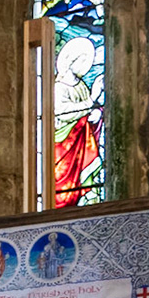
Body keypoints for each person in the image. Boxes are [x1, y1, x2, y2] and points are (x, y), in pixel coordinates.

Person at [51, 35, 103, 207]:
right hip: (64, 142)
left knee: (86, 174)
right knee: (63, 179)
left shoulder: (81, 86)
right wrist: (92, 99)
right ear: (70, 61)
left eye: (88, 61)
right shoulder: (59, 87)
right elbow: (63, 112)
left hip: (83, 139)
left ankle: (88, 195)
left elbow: (86, 111)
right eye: (83, 61)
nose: (86, 66)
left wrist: (96, 114)